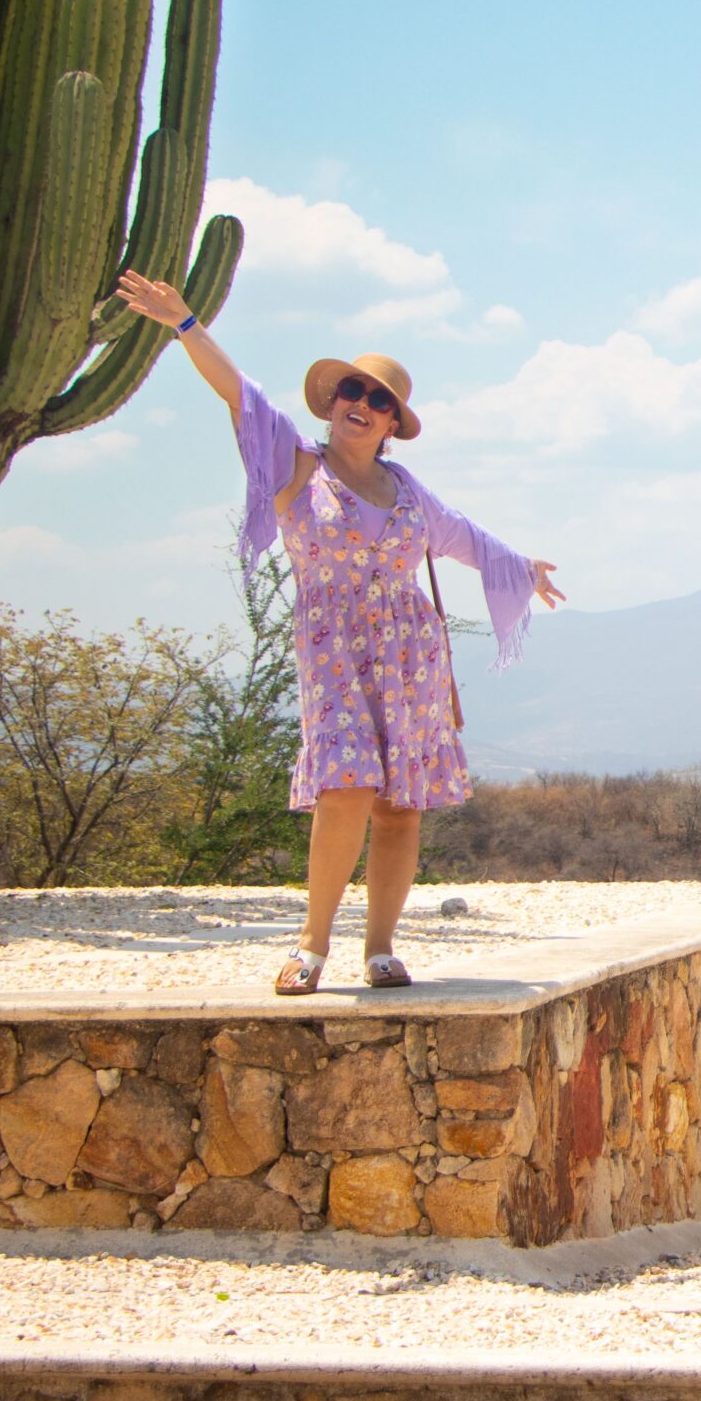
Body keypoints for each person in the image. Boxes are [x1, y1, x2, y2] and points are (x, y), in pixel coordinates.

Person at [116, 271, 565, 994]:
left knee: (399, 804)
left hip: (410, 653)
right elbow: (239, 395)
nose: (363, 405)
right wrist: (186, 323)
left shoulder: (412, 493)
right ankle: (311, 945)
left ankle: (381, 947)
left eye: (379, 401)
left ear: (392, 424)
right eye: (353, 393)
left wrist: (521, 566)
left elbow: (467, 539)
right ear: (332, 405)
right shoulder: (298, 468)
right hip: (333, 651)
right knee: (345, 785)